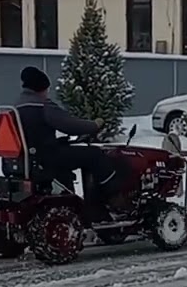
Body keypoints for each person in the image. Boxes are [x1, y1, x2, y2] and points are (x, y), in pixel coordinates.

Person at [13, 66, 127, 212]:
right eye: (47, 90)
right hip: (46, 157)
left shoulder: (16, 106)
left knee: (69, 155)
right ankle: (114, 196)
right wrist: (94, 125)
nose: (47, 93)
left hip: (27, 158)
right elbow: (69, 125)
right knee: (95, 155)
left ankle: (76, 201)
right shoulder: (42, 106)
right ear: (41, 88)